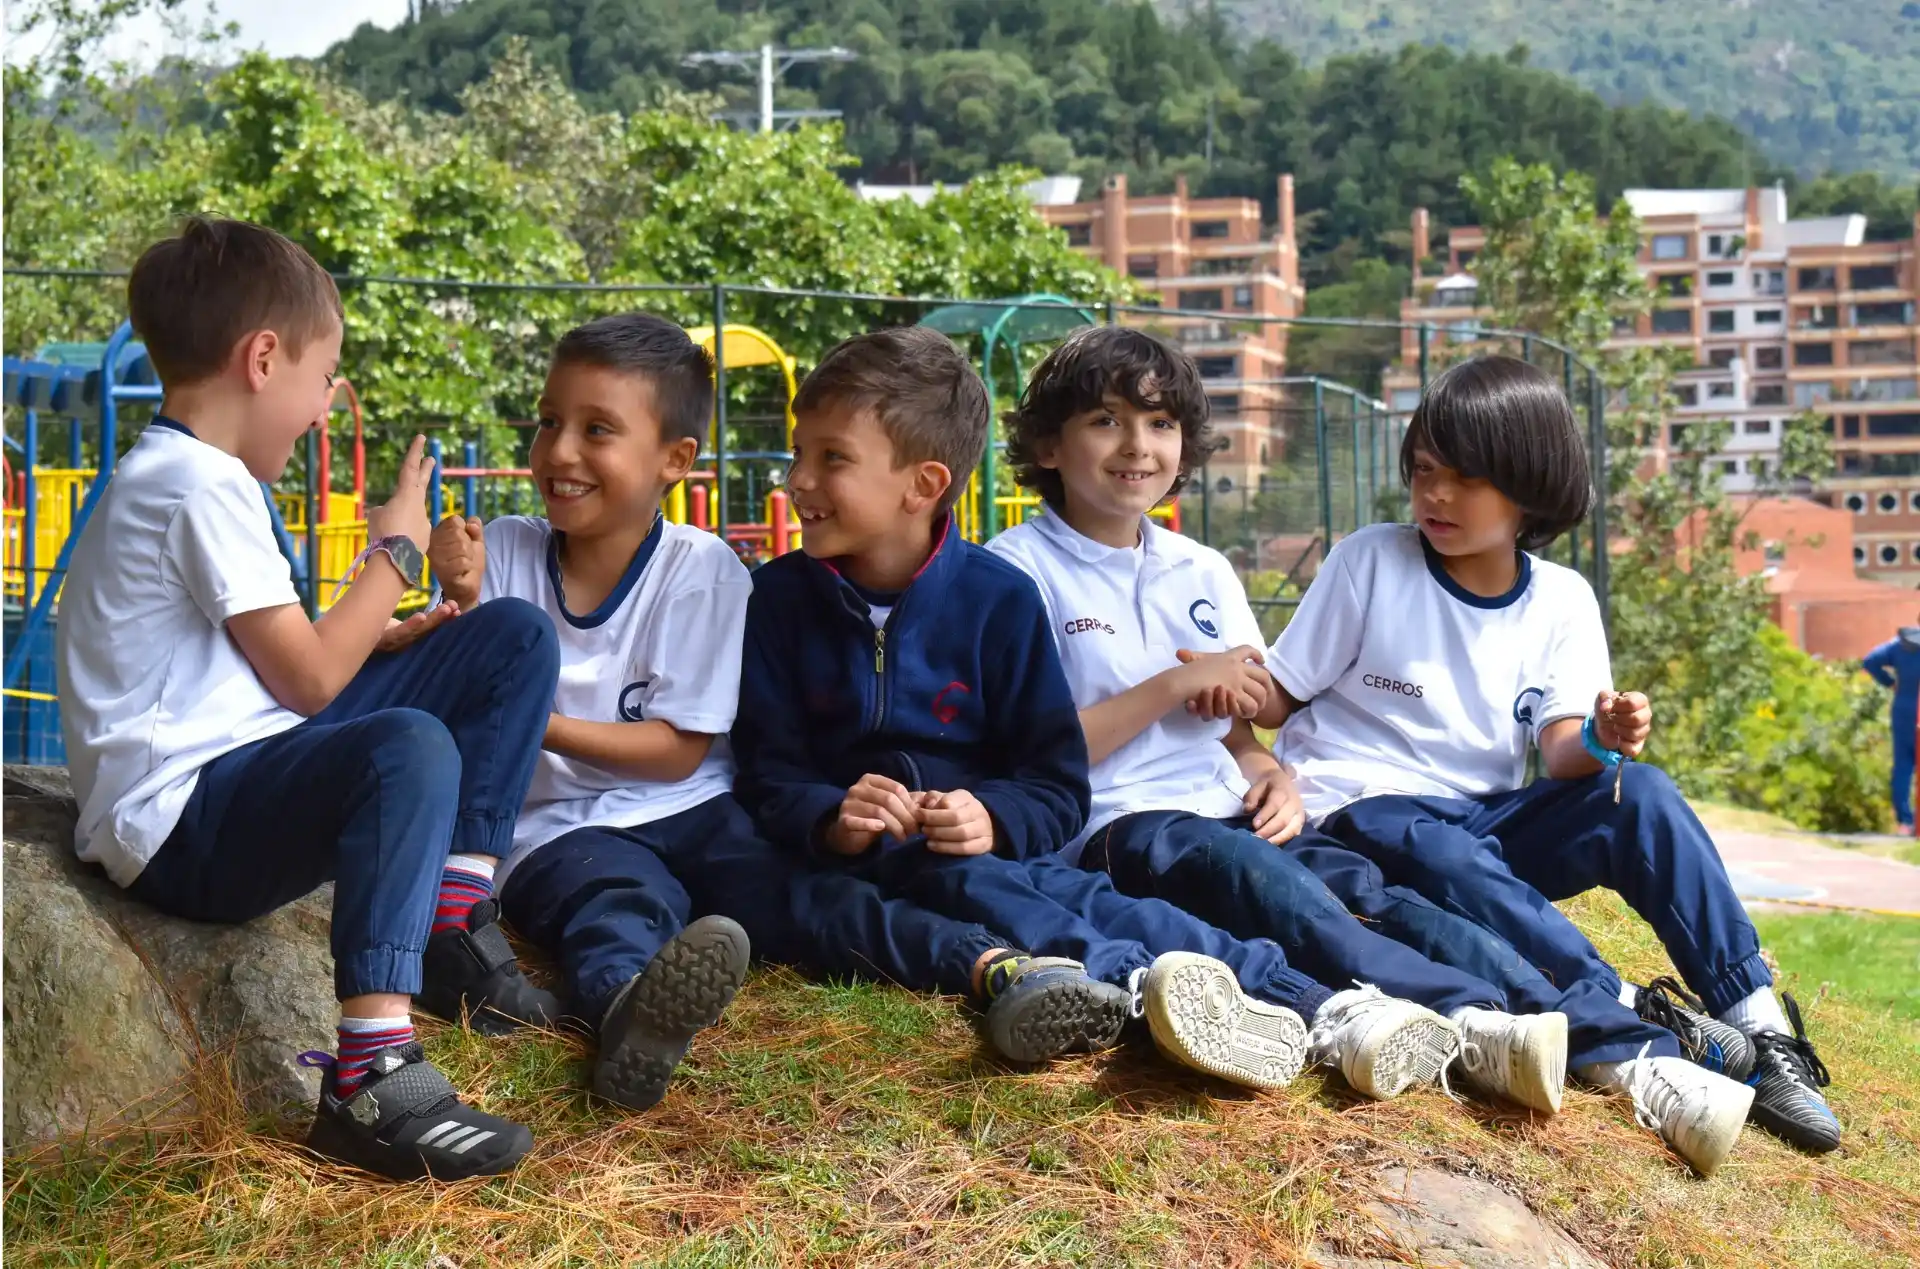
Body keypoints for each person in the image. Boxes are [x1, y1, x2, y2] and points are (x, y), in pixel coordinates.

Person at [731, 326, 1467, 1100]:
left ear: (922, 484)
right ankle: (1166, 992)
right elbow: (765, 774)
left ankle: (1337, 1007)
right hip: (987, 849)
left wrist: (989, 814)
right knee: (992, 900)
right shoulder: (780, 602)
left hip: (996, 846)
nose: (796, 479)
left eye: (830, 458)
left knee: (1094, 900)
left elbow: (1048, 780)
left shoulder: (994, 599)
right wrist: (832, 817)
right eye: (799, 453)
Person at [427, 314, 1124, 1107]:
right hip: (561, 829)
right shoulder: (502, 553)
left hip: (695, 807)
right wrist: (459, 595)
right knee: (610, 903)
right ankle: (630, 1010)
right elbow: (465, 690)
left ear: (676, 459)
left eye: (596, 430)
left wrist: (535, 723)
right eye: (548, 422)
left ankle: (992, 967)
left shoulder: (703, 568)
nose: (558, 451)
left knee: (814, 903)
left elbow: (682, 751)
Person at [56, 217, 558, 1182]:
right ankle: (370, 1079)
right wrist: (397, 548)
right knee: (407, 747)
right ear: (262, 359)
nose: (327, 406)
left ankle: (449, 918)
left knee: (510, 638)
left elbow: (278, 660)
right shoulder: (194, 486)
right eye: (325, 376)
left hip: (240, 760)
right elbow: (312, 678)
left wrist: (379, 633)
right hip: (182, 827)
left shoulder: (195, 475)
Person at [1250, 354, 1838, 1172]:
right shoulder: (1370, 561)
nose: (1436, 495)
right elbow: (1277, 696)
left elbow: (1561, 750)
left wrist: (1602, 736)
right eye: (1424, 471)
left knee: (1640, 794)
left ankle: (1759, 1027)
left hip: (1482, 823)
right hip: (1363, 815)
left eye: (1466, 478)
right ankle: (1636, 1010)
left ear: (1529, 485)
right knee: (1427, 840)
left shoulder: (1561, 599)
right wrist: (1222, 679)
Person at [987, 326, 1576, 1114]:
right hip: (1117, 826)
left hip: (1227, 809)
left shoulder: (1203, 569)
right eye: (1105, 421)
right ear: (1048, 446)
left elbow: (1237, 730)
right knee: (1274, 890)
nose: (1137, 446)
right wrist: (1174, 683)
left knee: (1369, 890)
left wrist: (1270, 773)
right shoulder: (1014, 571)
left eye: (1160, 423)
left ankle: (1553, 1016)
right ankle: (1464, 1020)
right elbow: (1034, 756)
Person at [1861, 622, 1920, 830]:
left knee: (1903, 764)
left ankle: (1905, 820)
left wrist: (1890, 682)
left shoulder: (1901, 643)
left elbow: (1870, 661)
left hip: (1904, 708)